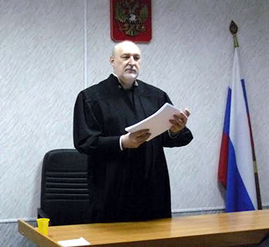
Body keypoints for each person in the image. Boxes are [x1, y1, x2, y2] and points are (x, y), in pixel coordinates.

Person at [73, 40, 193, 223]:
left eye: (136, 58)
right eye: (125, 57)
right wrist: (123, 142)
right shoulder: (91, 97)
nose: (132, 62)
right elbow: (84, 141)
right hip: (113, 190)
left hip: (152, 188)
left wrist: (176, 131)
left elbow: (170, 139)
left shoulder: (156, 96)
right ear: (112, 61)